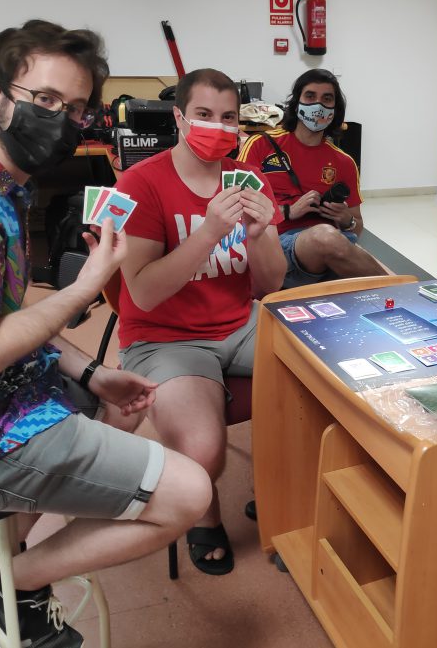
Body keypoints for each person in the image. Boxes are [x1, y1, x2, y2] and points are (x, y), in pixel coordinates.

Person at [0, 20, 212, 648]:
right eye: (46, 99)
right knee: (190, 494)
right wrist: (88, 287)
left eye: (75, 108)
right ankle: (8, 585)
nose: (62, 120)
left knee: (120, 401)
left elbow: (3, 312)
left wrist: (90, 371)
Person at [115, 68, 287, 575]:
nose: (218, 126)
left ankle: (285, 495)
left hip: (240, 322)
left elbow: (270, 285)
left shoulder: (249, 180)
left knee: (324, 384)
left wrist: (260, 234)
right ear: (179, 117)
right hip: (165, 338)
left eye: (229, 117)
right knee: (203, 451)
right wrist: (209, 232)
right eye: (204, 115)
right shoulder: (141, 183)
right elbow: (143, 293)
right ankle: (203, 513)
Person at [238, 68, 386, 288]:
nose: (318, 105)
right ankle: (402, 292)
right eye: (310, 96)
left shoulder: (344, 162)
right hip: (277, 245)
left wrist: (346, 219)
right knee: (326, 238)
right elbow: (238, 210)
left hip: (335, 245)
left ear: (335, 109)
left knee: (344, 246)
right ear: (296, 103)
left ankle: (399, 291)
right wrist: (288, 211)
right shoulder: (260, 145)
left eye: (327, 99)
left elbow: (357, 228)